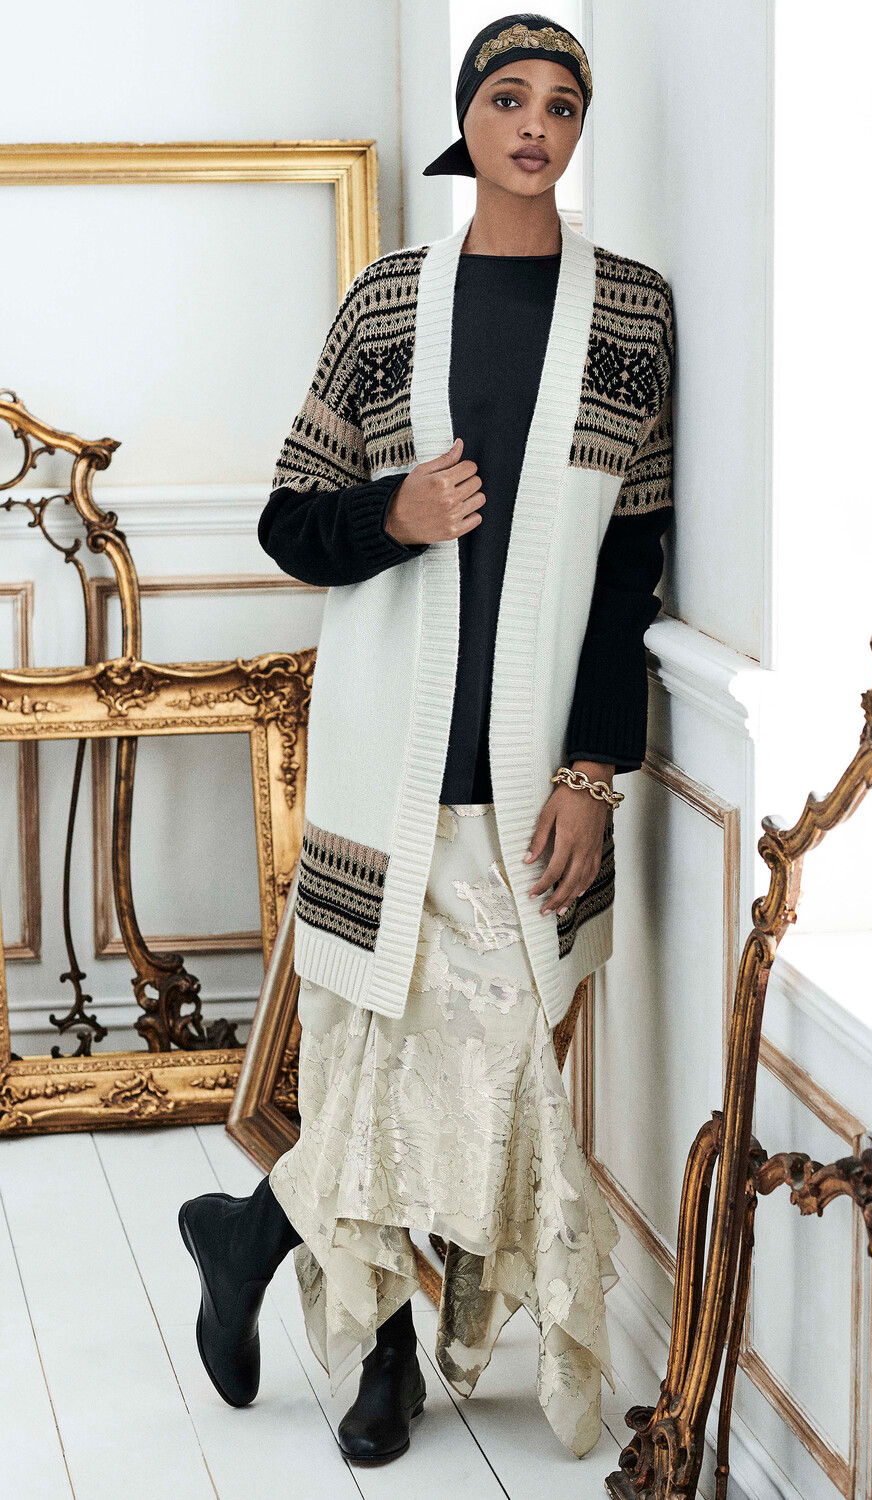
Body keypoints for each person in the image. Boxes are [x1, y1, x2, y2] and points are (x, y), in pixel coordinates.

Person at [179, 10, 674, 1465]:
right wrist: (393, 515)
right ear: (469, 120)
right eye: (509, 98)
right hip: (388, 761)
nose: (536, 125)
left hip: (533, 781)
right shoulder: (391, 299)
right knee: (377, 1056)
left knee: (488, 1068)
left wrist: (594, 771)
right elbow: (291, 523)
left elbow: (632, 568)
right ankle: (383, 1363)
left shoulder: (633, 314)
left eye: (563, 103)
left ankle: (248, 1235)